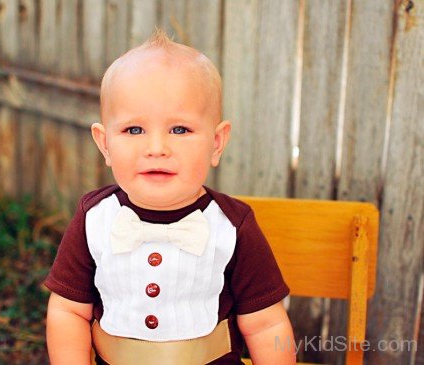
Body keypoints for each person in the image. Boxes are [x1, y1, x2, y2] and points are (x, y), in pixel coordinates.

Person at [44, 29, 296, 364]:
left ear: (217, 143)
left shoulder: (233, 226)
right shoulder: (94, 219)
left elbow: (265, 324)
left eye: (180, 130)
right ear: (105, 143)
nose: (157, 149)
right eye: (134, 130)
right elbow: (68, 311)